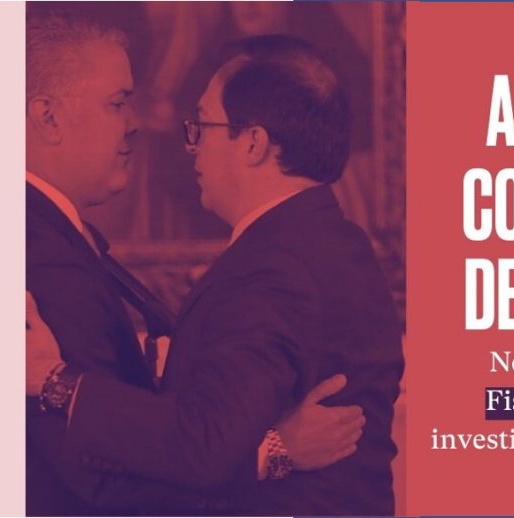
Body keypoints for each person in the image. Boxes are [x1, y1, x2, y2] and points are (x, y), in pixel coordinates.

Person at [27, 34, 405, 516]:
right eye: (117, 103)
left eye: (202, 126)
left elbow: (202, 442)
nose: (191, 147)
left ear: (253, 143)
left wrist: (55, 381)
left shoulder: (273, 266)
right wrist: (275, 447)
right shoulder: (334, 241)